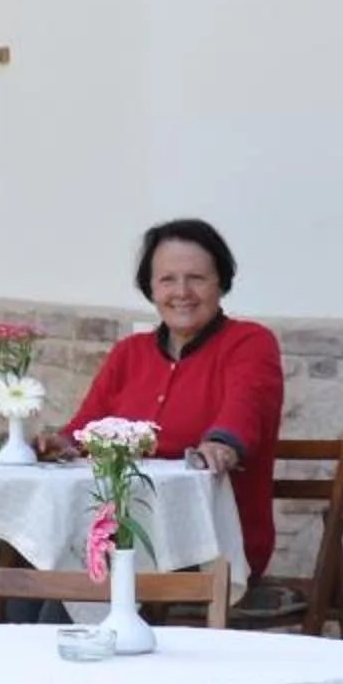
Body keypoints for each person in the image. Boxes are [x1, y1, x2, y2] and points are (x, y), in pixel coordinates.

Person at [45, 217, 286, 577]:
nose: (182, 292)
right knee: (33, 582)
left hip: (207, 545)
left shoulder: (249, 343)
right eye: (168, 279)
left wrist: (222, 444)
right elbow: (86, 429)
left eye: (197, 278)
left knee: (60, 599)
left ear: (221, 283)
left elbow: (245, 408)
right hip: (116, 534)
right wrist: (59, 443)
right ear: (151, 288)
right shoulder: (130, 353)